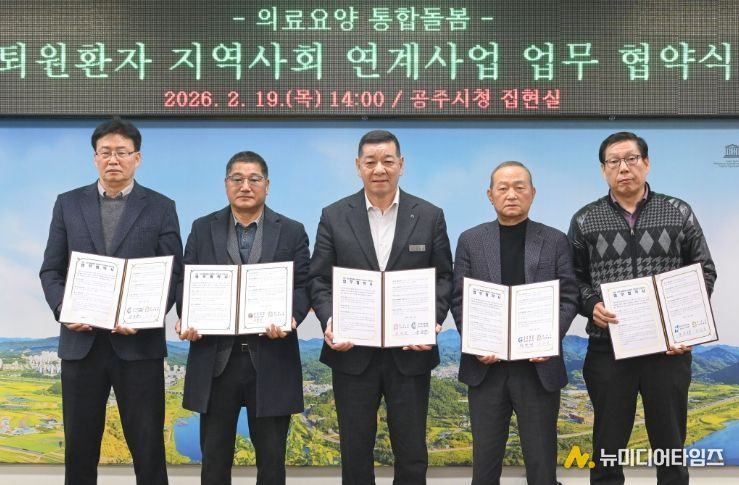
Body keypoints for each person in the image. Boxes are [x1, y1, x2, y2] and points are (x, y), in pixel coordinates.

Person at [39, 117, 182, 485]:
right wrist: (64, 310)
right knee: (79, 450)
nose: (113, 159)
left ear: (137, 158)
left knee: (148, 449)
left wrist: (147, 316)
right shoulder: (68, 204)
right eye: (105, 152)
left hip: (139, 344)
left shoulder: (161, 206)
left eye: (122, 152)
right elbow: (51, 270)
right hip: (81, 344)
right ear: (95, 158)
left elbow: (173, 274)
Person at [568, 132, 717, 485]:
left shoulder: (678, 211)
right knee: (607, 449)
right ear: (603, 170)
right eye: (614, 161)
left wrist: (685, 324)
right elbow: (572, 278)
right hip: (608, 349)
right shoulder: (585, 219)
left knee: (670, 448)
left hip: (668, 351)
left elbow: (703, 271)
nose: (623, 168)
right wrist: (591, 305)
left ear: (646, 164)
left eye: (631, 159)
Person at [308, 129, 453, 484]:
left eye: (387, 161)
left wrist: (432, 320)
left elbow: (445, 278)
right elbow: (318, 279)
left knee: (412, 451)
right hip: (352, 352)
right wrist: (330, 320)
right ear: (358, 166)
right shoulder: (334, 215)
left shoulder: (430, 215)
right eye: (370, 162)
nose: (379, 169)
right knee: (355, 451)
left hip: (410, 352)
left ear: (401, 164)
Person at [176, 151, 310, 485]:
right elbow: (185, 280)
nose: (245, 186)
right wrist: (186, 316)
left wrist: (291, 318)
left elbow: (304, 285)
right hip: (215, 360)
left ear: (267, 185)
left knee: (272, 462)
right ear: (226, 184)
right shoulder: (202, 228)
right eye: (237, 179)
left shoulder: (292, 231)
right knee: (214, 460)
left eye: (254, 179)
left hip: (272, 358)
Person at [451, 161, 578, 485]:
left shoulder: (555, 240)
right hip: (486, 367)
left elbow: (569, 296)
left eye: (520, 187)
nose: (511, 194)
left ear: (532, 193)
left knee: (542, 466)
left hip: (538, 368)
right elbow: (459, 298)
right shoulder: (470, 240)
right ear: (490, 194)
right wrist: (476, 342)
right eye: (503, 188)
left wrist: (548, 338)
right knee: (484, 466)